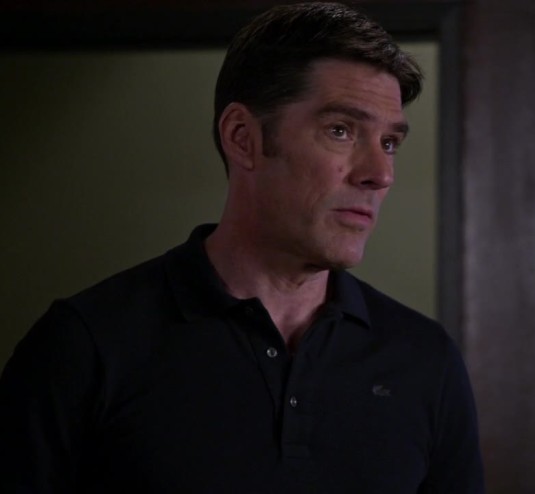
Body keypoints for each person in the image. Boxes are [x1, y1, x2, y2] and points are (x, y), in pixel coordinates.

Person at [0, 2, 485, 493]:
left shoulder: (426, 361)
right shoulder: (85, 347)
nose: (380, 174)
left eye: (389, 143)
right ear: (242, 138)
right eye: (340, 130)